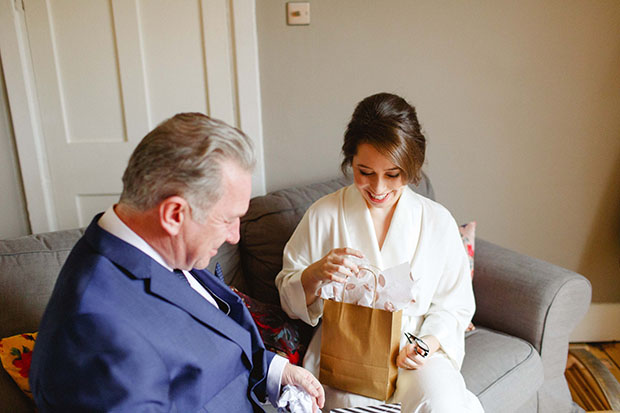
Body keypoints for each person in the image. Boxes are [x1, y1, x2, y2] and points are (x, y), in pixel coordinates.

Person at [30, 113, 325, 412]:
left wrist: (276, 372)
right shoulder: (95, 333)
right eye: (228, 219)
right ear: (174, 215)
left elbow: (206, 340)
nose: (235, 236)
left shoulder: (161, 249)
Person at [276, 93, 484, 412]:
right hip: (346, 353)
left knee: (442, 403)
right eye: (365, 172)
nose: (378, 188)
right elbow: (289, 302)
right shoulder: (324, 215)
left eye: (392, 174)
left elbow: (455, 304)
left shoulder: (437, 221)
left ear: (412, 169)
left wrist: (427, 345)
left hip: (413, 348)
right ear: (350, 162)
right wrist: (315, 273)